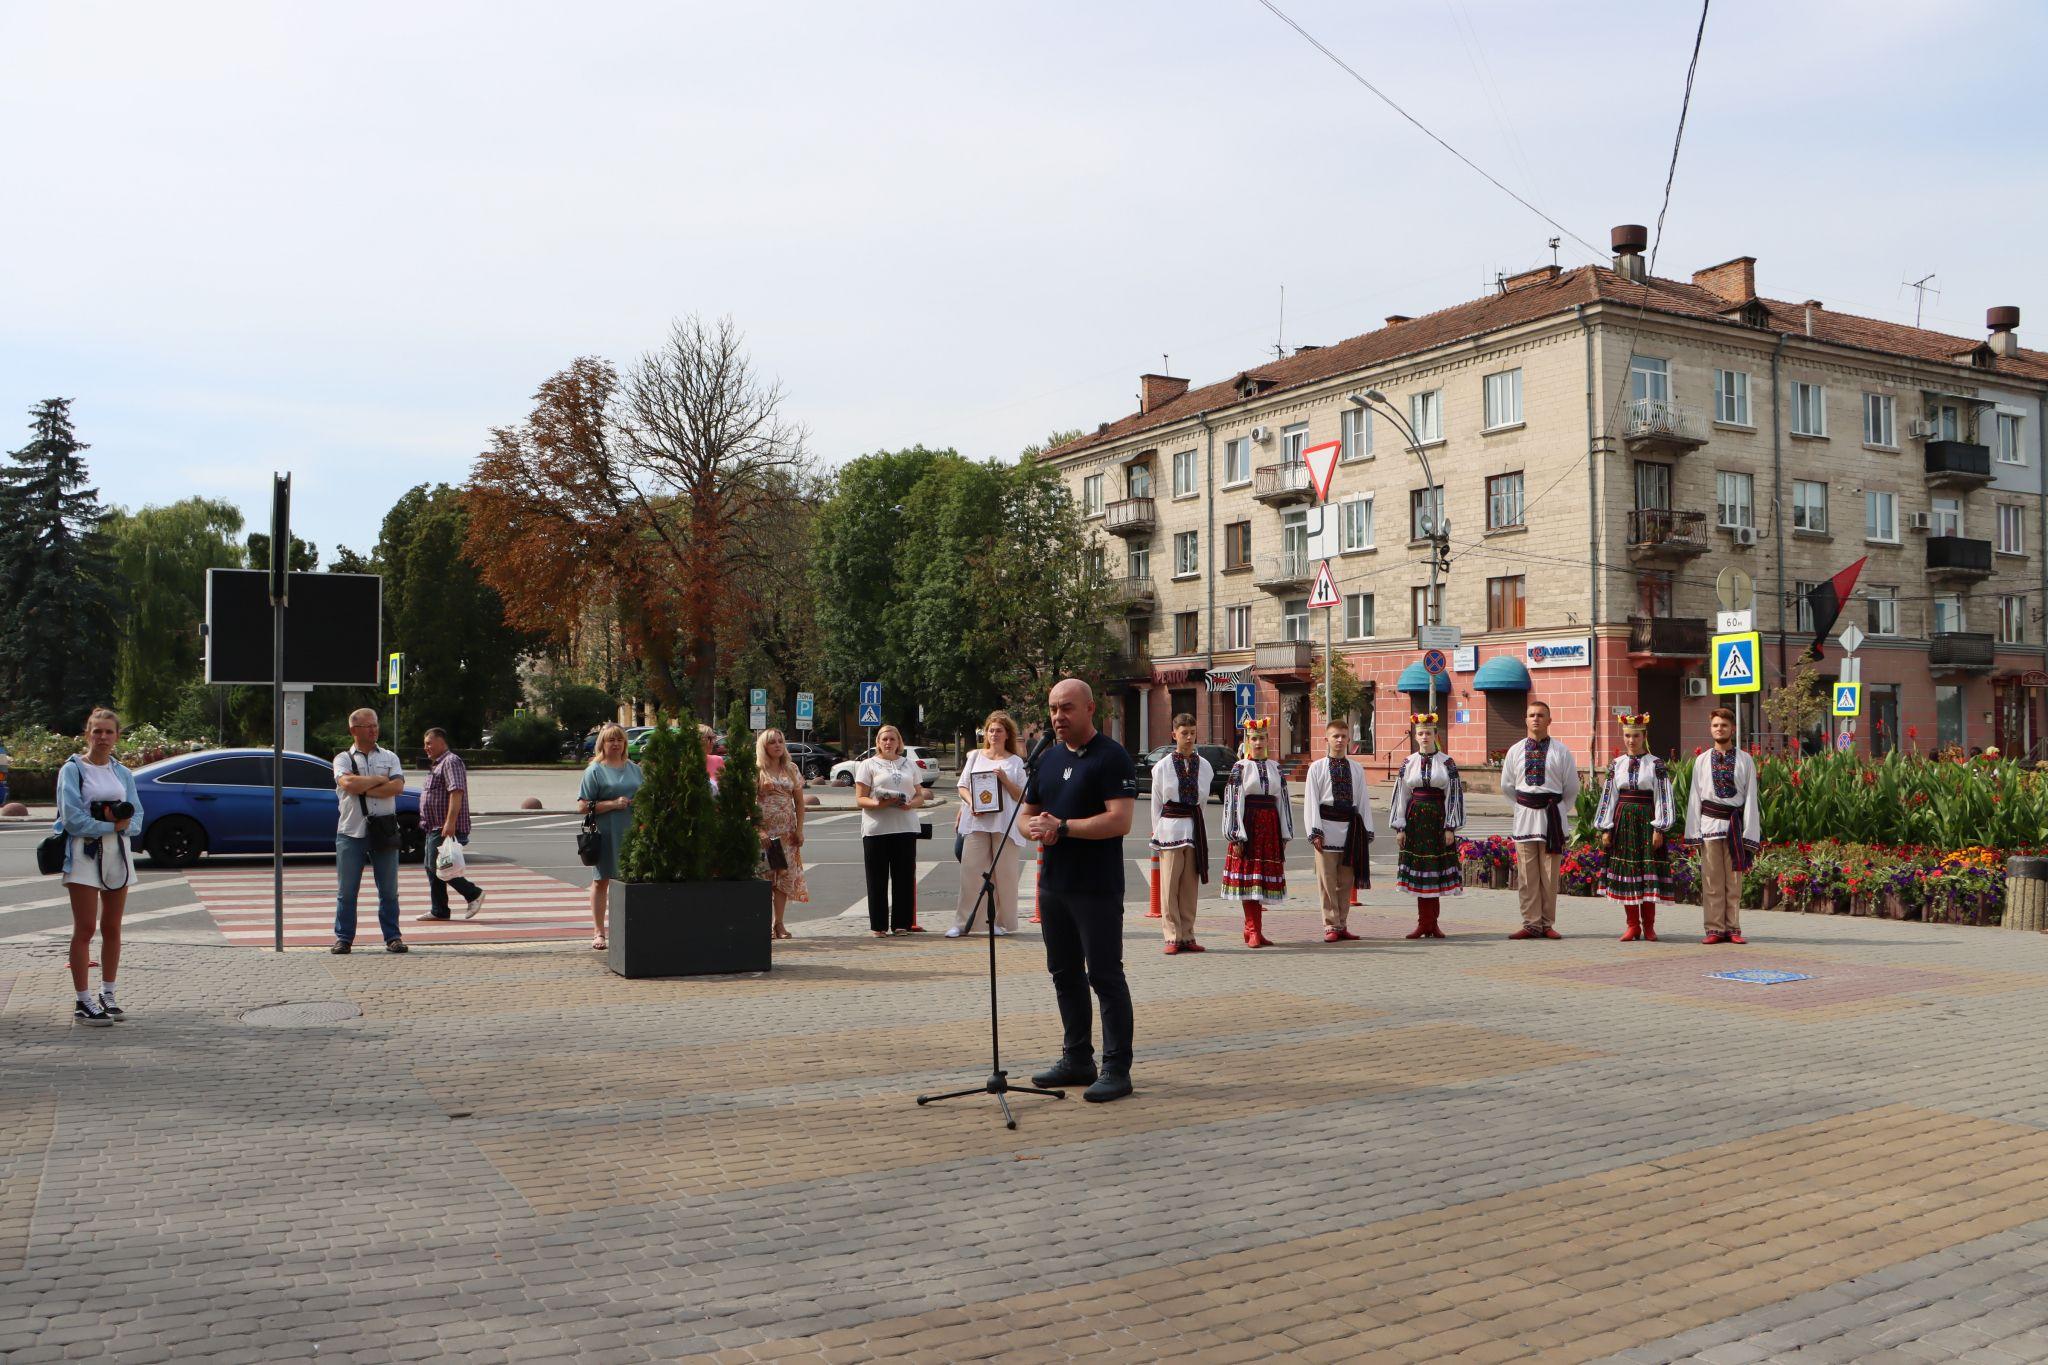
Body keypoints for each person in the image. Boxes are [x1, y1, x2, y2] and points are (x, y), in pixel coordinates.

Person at [1023, 678, 1138, 1103]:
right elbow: (1027, 815)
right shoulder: (1048, 759)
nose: (1058, 717)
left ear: (1091, 709)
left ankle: (1116, 1068)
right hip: (1054, 885)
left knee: (1105, 977)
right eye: (1053, 708)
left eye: (1067, 708)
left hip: (1096, 887)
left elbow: (1120, 820)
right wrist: (1035, 828)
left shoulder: (1113, 757)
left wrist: (1064, 828)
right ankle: (1076, 1059)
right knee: (1064, 974)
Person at [56, 708, 141, 1025]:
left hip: (117, 854)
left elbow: (138, 815)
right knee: (86, 928)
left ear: (118, 736)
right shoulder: (73, 769)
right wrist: (110, 826)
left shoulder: (123, 773)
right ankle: (82, 1000)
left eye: (109, 732)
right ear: (87, 734)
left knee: (113, 928)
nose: (103, 737)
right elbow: (72, 818)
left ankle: (108, 992)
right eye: (97, 731)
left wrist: (123, 826)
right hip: (83, 854)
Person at [1502, 700, 1579, 940]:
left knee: (1549, 875)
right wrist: (1524, 807)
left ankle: (1547, 923)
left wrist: (1557, 811)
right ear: (1525, 720)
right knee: (1526, 876)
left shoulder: (1561, 751)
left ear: (1549, 720)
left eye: (1541, 715)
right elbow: (1507, 785)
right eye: (1531, 715)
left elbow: (1571, 788)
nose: (1536, 719)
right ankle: (1530, 923)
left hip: (1551, 818)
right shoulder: (1515, 751)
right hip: (1525, 818)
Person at [332, 707, 408, 954]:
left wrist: (363, 786)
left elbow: (396, 788)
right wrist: (380, 780)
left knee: (388, 889)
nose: (374, 729)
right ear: (354, 730)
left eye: (375, 725)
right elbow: (347, 782)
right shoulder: (343, 758)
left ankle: (393, 937)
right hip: (351, 831)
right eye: (368, 726)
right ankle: (344, 938)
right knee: (347, 891)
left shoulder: (389, 756)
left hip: (384, 830)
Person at [1593, 714, 1675, 942]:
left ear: (1644, 736)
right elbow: (1609, 796)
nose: (1631, 740)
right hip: (1623, 823)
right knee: (1628, 873)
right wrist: (1606, 828)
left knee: (1647, 874)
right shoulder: (1616, 765)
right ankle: (1632, 926)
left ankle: (1649, 927)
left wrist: (1660, 827)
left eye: (1636, 736)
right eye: (1628, 736)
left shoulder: (1656, 764)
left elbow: (1663, 796)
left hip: (1647, 821)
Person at [1685, 706, 1762, 945]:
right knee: (1712, 881)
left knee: (1734, 881)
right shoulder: (1701, 760)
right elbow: (1695, 797)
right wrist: (1693, 832)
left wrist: (1750, 833)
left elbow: (1750, 797)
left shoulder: (1744, 759)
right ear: (1711, 729)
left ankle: (1733, 928)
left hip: (1734, 828)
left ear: (1733, 729)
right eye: (1716, 725)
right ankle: (1714, 929)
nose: (1720, 729)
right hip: (1709, 827)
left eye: (1724, 725)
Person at [951, 710, 1026, 938]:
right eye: (991, 730)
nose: (994, 734)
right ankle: (964, 922)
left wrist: (1004, 779)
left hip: (1005, 823)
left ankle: (999, 922)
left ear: (1007, 734)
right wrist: (972, 802)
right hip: (976, 821)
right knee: (971, 871)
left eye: (999, 731)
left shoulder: (1015, 762)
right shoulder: (975, 756)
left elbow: (1022, 795)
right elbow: (962, 786)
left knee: (1004, 875)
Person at [1390, 713, 1462, 939]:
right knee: (1422, 872)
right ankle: (1424, 923)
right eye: (1420, 733)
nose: (1424, 737)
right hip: (1415, 822)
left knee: (1435, 870)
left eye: (1428, 733)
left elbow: (1454, 795)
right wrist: (1400, 827)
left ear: (1435, 735)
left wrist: (1450, 826)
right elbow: (1400, 795)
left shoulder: (1447, 762)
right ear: (1415, 736)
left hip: (1438, 820)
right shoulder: (1407, 763)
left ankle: (1433, 923)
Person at [1222, 716, 1291, 948]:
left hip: (1270, 828)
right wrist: (1236, 834)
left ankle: (1256, 930)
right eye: (1254, 739)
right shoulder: (1240, 768)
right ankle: (1252, 929)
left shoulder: (1276, 768)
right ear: (1247, 741)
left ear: (1267, 740)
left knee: (1260, 881)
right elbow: (1233, 801)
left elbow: (1283, 802)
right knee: (1250, 879)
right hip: (1249, 826)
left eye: (1262, 738)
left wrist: (1284, 833)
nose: (1258, 743)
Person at [1148, 712, 1213, 955]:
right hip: (1170, 829)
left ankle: (1188, 934)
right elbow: (1156, 803)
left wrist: (1197, 825)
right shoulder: (1162, 767)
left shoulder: (1204, 766)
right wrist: (1157, 831)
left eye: (1192, 733)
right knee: (1169, 886)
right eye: (1184, 733)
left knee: (1189, 886)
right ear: (1174, 734)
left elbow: (1203, 802)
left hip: (1193, 828)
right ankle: (1172, 936)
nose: (1188, 737)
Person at [1302, 722, 1373, 944]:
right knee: (1327, 881)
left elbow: (1362, 800)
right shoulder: (1317, 768)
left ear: (1349, 740)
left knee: (1346, 881)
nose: (1340, 740)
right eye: (1335, 736)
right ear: (1327, 740)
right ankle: (1330, 924)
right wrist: (1315, 831)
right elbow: (1311, 801)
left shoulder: (1356, 769)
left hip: (1350, 831)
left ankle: (1342, 923)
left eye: (1343, 736)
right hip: (1326, 828)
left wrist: (1366, 830)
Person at [856, 724, 926, 937]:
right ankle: (878, 926)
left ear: (899, 742)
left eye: (892, 739)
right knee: (877, 878)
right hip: (876, 829)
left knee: (904, 877)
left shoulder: (909, 764)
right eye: (884, 739)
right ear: (878, 742)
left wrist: (910, 804)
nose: (888, 743)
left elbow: (920, 795)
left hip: (905, 826)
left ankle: (901, 923)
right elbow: (860, 798)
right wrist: (879, 804)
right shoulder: (868, 764)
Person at [578, 723, 642, 950]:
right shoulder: (594, 770)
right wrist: (613, 804)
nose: (615, 744)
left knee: (631, 881)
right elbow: (583, 806)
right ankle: (599, 932)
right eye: (610, 740)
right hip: (605, 832)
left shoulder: (635, 768)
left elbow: (645, 795)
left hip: (633, 830)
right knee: (601, 879)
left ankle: (628, 929)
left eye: (620, 740)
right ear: (602, 744)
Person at [415, 727, 486, 923]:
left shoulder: (451, 761)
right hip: (433, 826)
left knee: (440, 867)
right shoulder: (437, 764)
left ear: (441, 742)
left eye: (429, 743)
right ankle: (439, 910)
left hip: (444, 826)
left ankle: (473, 894)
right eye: (425, 743)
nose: (426, 747)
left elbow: (456, 792)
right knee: (432, 867)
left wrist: (450, 822)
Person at [755, 728, 809, 940]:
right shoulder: (758, 769)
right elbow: (748, 804)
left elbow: (800, 802)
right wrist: (758, 829)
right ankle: (764, 924)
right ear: (764, 746)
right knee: (765, 876)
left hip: (786, 833)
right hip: (766, 834)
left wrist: (800, 829)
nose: (777, 745)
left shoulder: (791, 768)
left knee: (783, 878)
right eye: (772, 742)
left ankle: (779, 923)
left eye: (780, 741)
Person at [700, 724, 726, 793]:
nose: (713, 742)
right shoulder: (685, 764)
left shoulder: (717, 760)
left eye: (714, 738)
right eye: (710, 739)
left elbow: (725, 789)